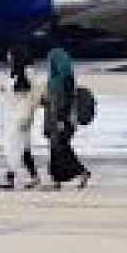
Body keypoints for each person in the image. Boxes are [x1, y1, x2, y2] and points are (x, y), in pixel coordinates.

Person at [0, 41, 45, 190]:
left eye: (10, 54)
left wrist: (29, 115)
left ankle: (10, 178)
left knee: (13, 146)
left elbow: (33, 95)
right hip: (11, 114)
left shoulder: (27, 73)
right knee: (23, 147)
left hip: (21, 115)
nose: (7, 57)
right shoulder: (14, 72)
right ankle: (34, 176)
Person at [45, 45, 91, 189]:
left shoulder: (61, 82)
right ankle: (57, 179)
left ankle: (80, 172)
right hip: (55, 120)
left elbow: (63, 104)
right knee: (57, 149)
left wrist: (60, 120)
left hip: (61, 120)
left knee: (61, 149)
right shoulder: (60, 80)